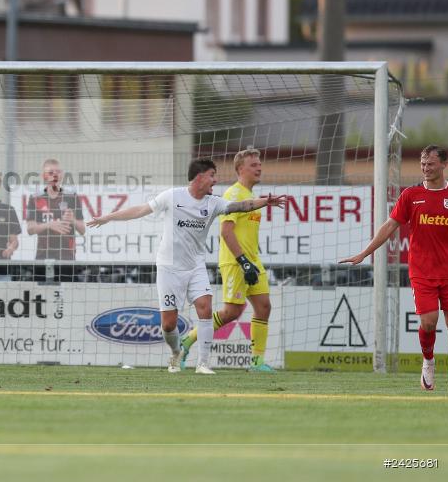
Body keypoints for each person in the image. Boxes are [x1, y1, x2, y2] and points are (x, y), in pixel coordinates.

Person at [87, 158, 284, 375]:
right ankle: (176, 351)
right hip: (169, 267)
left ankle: (203, 364)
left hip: (196, 265)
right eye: (212, 175)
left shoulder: (213, 202)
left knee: (205, 307)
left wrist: (265, 201)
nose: (215, 180)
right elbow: (140, 210)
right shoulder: (172, 196)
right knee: (169, 324)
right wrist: (108, 217)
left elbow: (241, 206)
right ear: (199, 177)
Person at [341, 145, 448, 392]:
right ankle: (428, 362)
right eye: (423, 164)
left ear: (444, 165)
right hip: (422, 271)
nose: (425, 168)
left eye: (430, 164)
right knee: (429, 322)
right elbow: (389, 225)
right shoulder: (411, 195)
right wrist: (364, 253)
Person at [180, 148, 275, 372]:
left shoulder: (251, 195)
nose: (259, 168)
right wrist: (243, 261)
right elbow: (226, 232)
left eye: (260, 164)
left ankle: (257, 362)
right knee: (232, 311)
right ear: (240, 169)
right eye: (253, 165)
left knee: (264, 306)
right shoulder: (234, 194)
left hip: (253, 260)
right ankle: (188, 340)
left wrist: (250, 261)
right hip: (236, 261)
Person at [25, 158, 85, 282]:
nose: (55, 175)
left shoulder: (71, 197)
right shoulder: (35, 198)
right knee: (42, 292)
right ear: (44, 176)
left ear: (62, 175)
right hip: (43, 256)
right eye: (51, 172)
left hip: (66, 257)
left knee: (67, 292)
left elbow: (82, 229)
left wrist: (72, 220)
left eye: (58, 172)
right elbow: (30, 229)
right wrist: (50, 225)